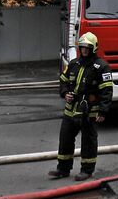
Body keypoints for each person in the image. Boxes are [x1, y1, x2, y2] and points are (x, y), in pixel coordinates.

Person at [48, 33, 114, 180]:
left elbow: (107, 91)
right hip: (71, 110)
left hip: (89, 111)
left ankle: (87, 170)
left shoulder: (101, 67)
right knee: (65, 138)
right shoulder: (73, 64)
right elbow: (63, 81)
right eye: (82, 47)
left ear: (93, 48)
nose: (84, 50)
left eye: (87, 48)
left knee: (88, 141)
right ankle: (63, 169)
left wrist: (103, 111)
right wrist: (65, 93)